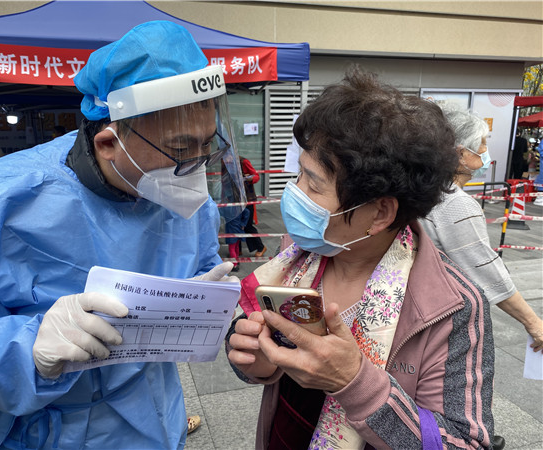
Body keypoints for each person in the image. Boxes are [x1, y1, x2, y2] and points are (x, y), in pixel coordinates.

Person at [0, 21, 245, 450]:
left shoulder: (180, 190)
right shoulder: (0, 198)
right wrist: (28, 348)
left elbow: (200, 264)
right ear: (107, 143)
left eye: (207, 145)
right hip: (41, 431)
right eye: (181, 150)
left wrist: (212, 308)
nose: (195, 166)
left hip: (154, 414)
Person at [226, 68, 495, 449]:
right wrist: (257, 364)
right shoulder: (296, 257)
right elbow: (251, 350)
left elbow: (464, 443)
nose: (293, 192)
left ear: (380, 212)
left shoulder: (453, 307)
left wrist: (355, 383)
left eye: (313, 184)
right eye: (298, 174)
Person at [420, 103, 543, 354]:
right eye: (482, 144)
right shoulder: (455, 204)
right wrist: (533, 322)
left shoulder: (422, 190)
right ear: (459, 154)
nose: (486, 151)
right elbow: (485, 270)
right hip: (443, 320)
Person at [240, 156, 267, 257]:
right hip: (235, 198)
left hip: (248, 198)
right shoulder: (225, 163)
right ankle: (237, 249)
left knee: (247, 225)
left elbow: (256, 176)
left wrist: (249, 178)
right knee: (236, 224)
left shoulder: (243, 162)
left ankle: (260, 247)